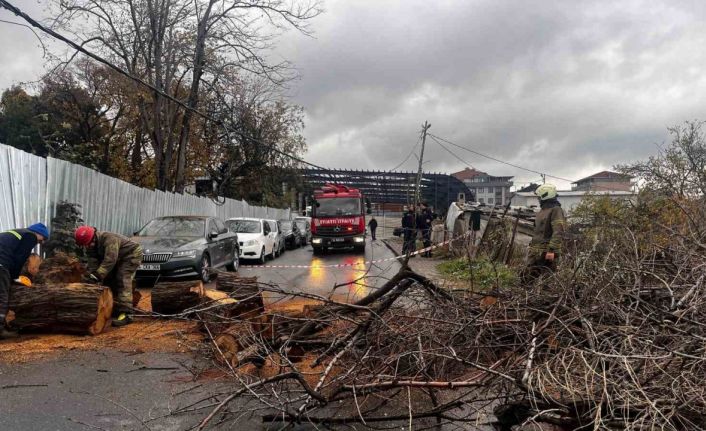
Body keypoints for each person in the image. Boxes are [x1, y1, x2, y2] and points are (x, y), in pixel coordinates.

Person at [75, 226, 142, 327]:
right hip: (118, 257)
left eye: (89, 244)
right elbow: (93, 263)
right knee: (108, 279)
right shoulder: (90, 246)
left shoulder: (109, 239)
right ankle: (114, 306)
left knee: (122, 277)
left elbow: (110, 260)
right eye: (85, 245)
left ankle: (127, 313)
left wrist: (98, 275)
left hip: (132, 254)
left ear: (94, 237)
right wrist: (93, 277)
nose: (88, 247)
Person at [0, 223, 49, 338]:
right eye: (42, 239)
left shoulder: (16, 233)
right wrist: (15, 277)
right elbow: (19, 259)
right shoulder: (30, 236)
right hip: (1, 264)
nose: (40, 242)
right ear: (39, 233)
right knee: (2, 296)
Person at [523, 184, 566, 283]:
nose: (538, 199)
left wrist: (552, 250)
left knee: (546, 281)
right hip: (535, 252)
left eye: (539, 196)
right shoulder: (542, 211)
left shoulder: (556, 210)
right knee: (528, 278)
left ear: (545, 195)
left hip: (547, 252)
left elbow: (558, 231)